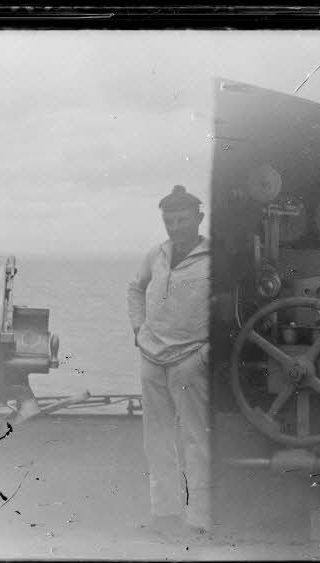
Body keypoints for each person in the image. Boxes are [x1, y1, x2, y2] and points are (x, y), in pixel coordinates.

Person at [127, 185, 212, 538]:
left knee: (197, 440)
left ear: (199, 219)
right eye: (169, 220)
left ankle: (201, 519)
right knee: (156, 438)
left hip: (190, 360)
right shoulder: (155, 255)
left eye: (182, 220)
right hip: (151, 358)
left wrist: (207, 352)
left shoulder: (215, 259)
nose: (175, 227)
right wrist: (138, 329)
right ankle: (164, 513)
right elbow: (135, 288)